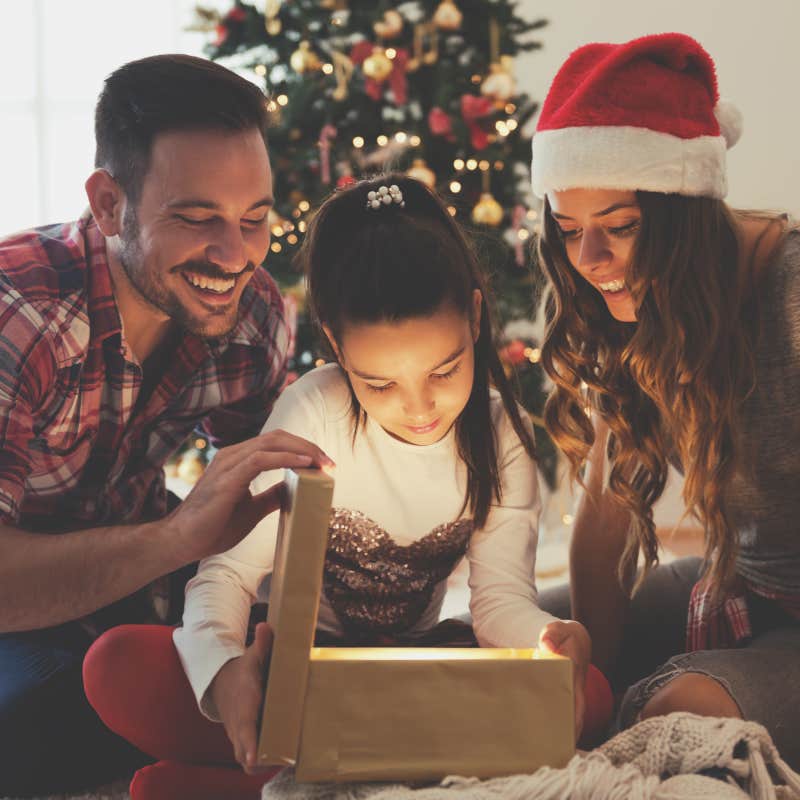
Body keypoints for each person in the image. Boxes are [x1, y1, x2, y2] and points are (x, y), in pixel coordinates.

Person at [83, 175, 613, 800]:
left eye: (444, 370)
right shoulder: (312, 413)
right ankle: (323, 757)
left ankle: (248, 776)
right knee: (115, 663)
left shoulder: (503, 436)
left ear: (474, 318)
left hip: (412, 667)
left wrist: (548, 642)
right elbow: (226, 576)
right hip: (300, 670)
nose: (419, 408)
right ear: (334, 343)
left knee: (594, 695)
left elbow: (498, 603)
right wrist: (226, 675)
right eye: (380, 384)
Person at [0, 54, 332, 797]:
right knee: (47, 721)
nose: (235, 255)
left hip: (136, 574)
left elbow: (259, 518)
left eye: (255, 220)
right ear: (110, 203)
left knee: (289, 686)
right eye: (196, 218)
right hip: (17, 599)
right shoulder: (16, 315)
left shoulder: (256, 317)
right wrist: (176, 539)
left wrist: (249, 638)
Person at [531, 32, 800, 766]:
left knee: (676, 717)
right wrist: (585, 676)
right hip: (737, 585)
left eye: (619, 228)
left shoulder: (791, 293)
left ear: (684, 218)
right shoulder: (628, 310)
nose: (590, 262)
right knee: (524, 656)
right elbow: (606, 511)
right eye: (570, 230)